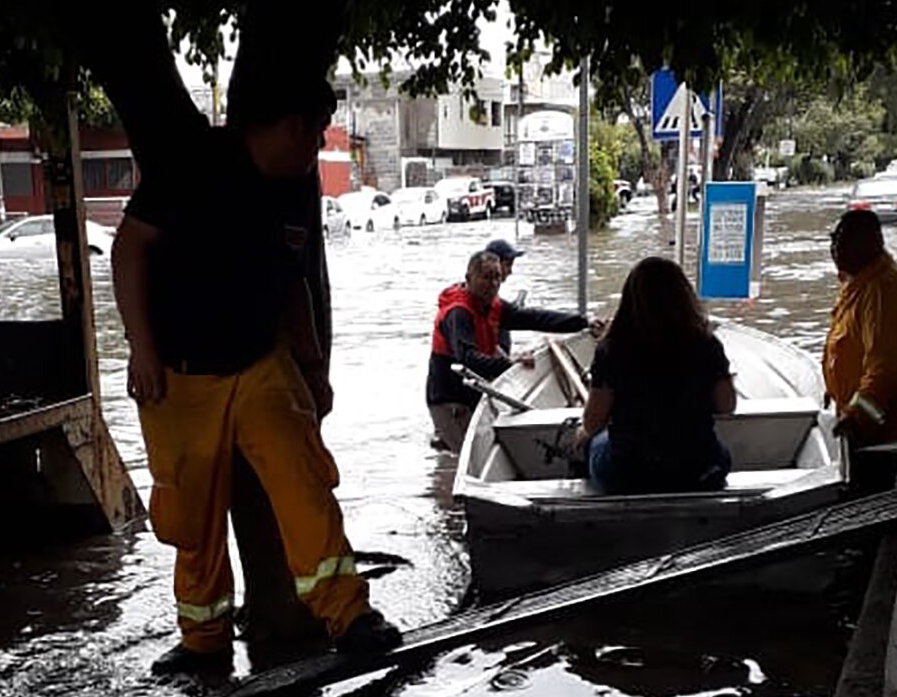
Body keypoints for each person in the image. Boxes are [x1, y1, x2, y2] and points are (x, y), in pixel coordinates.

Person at [112, 69, 400, 675]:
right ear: (290, 127)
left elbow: (293, 282)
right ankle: (203, 641)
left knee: (304, 483)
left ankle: (348, 615)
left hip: (262, 362)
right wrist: (139, 346)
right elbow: (129, 247)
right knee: (192, 521)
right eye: (315, 132)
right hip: (179, 374)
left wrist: (313, 367)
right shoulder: (193, 167)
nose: (316, 145)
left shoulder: (295, 185)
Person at [574, 257, 736, 494]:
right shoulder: (707, 344)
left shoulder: (612, 349)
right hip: (700, 470)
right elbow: (726, 406)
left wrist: (583, 433)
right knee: (716, 451)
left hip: (628, 475)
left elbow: (593, 422)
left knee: (592, 442)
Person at [427, 251, 598, 453]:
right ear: (469, 278)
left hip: (473, 391)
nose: (493, 284)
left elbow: (534, 318)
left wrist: (583, 322)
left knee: (477, 447)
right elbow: (468, 359)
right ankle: (446, 445)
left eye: (497, 277)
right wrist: (510, 363)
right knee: (470, 456)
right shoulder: (458, 313)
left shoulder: (492, 305)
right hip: (451, 399)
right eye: (486, 277)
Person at [824, 210, 897, 449]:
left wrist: (857, 417)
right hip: (862, 419)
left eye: (843, 241)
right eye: (834, 239)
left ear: (870, 244)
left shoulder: (883, 291)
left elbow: (885, 369)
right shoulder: (859, 285)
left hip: (881, 432)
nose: (835, 248)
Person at [484, 238, 526, 356]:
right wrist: (510, 361)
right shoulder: (482, 299)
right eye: (508, 265)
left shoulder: (492, 297)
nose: (510, 271)